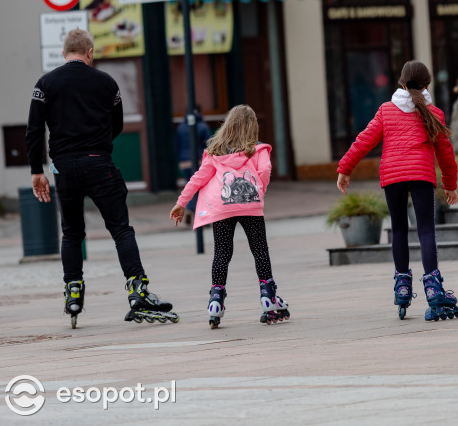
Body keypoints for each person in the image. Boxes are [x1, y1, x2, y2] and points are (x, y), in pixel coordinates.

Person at [25, 28, 178, 328]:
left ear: (64, 52)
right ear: (90, 52)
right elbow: (117, 124)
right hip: (99, 164)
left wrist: (36, 171)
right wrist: (96, 144)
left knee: (71, 232)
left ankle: (73, 292)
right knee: (121, 229)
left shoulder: (45, 84)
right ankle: (137, 290)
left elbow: (33, 130)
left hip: (64, 168)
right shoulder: (107, 82)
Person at [336, 60, 458, 322]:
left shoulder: (386, 110)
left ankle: (402, 286)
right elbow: (446, 153)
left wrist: (345, 168)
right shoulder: (434, 113)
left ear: (401, 83)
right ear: (427, 84)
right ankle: (434, 288)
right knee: (426, 229)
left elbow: (364, 140)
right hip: (421, 177)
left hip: (392, 178)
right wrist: (450, 184)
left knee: (399, 229)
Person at [169, 104, 290, 327]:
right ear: (252, 126)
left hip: (221, 207)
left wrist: (181, 203)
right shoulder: (258, 149)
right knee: (260, 250)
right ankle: (268, 297)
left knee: (222, 252)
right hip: (250, 205)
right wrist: (258, 190)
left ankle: (216, 299)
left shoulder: (215, 152)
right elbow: (264, 171)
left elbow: (198, 178)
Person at [174, 106, 211, 225]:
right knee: (201, 189)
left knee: (190, 187)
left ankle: (190, 209)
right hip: (200, 161)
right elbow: (209, 145)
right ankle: (199, 213)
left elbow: (177, 145)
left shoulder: (180, 128)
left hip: (184, 162)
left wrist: (180, 160)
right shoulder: (203, 127)